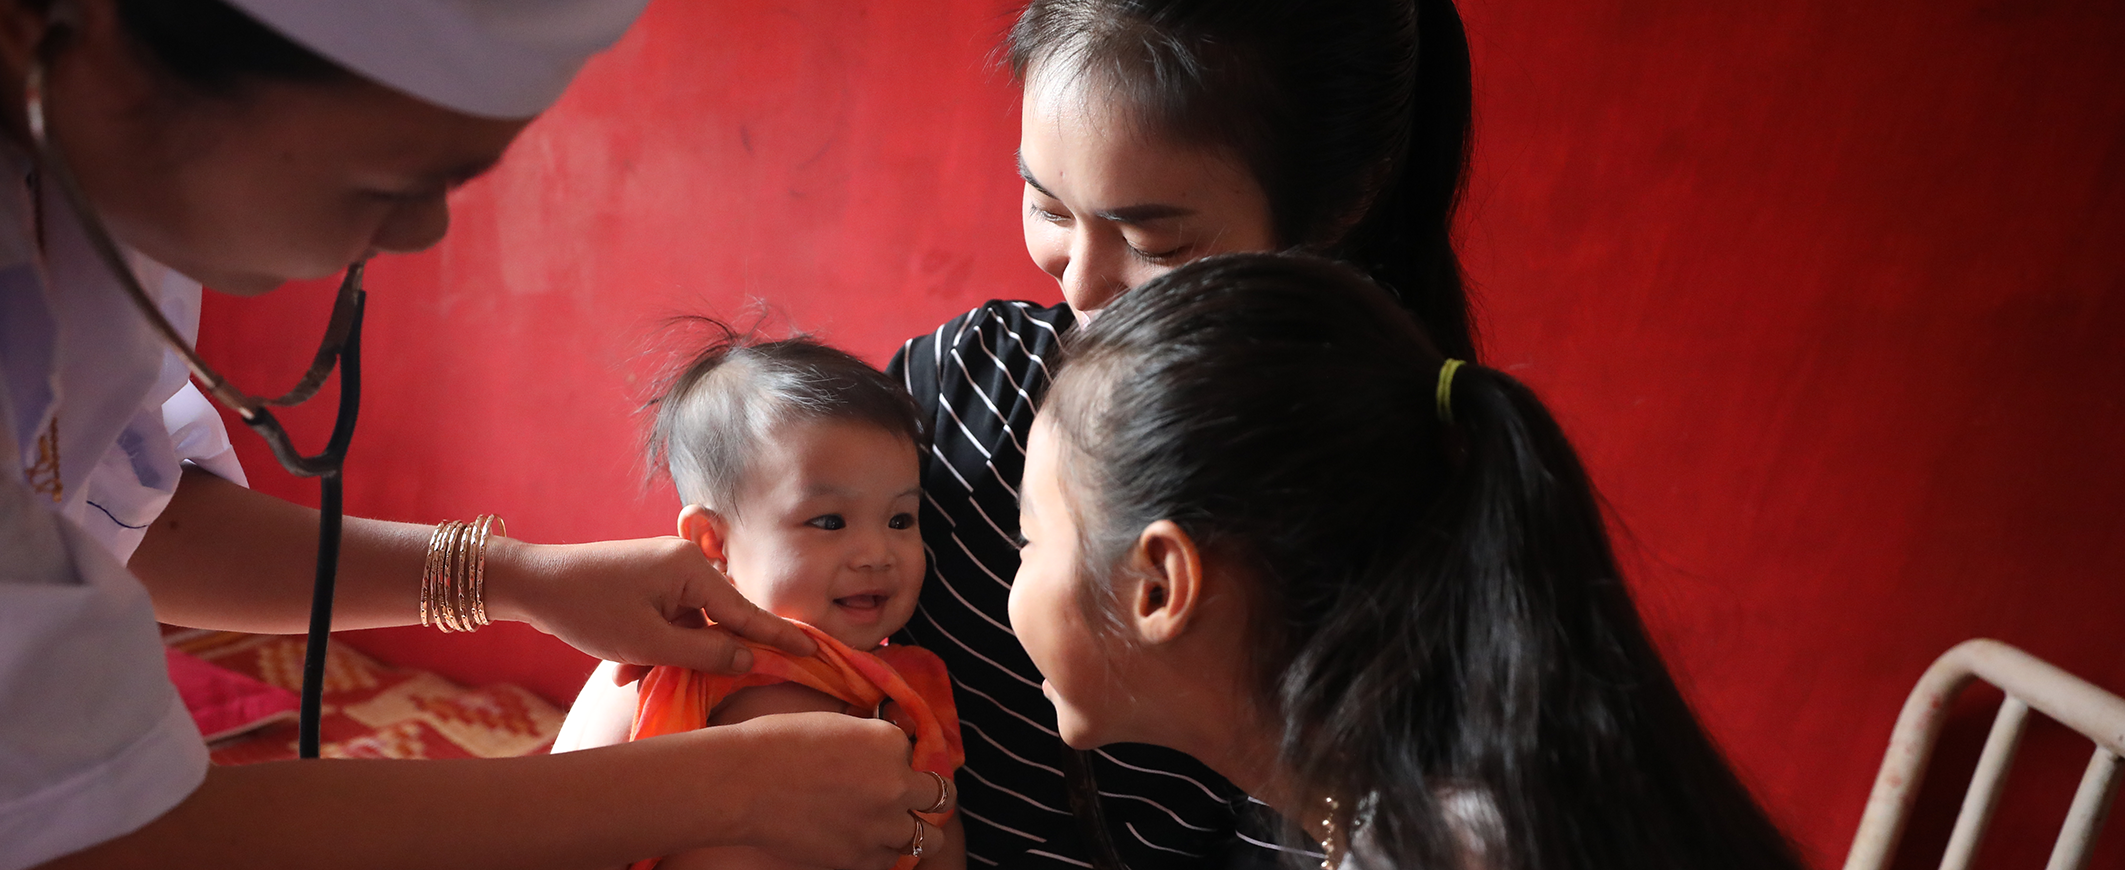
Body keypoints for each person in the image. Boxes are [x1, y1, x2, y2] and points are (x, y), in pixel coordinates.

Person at [0, 0, 947, 868]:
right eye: (386, 183)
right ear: (46, 21)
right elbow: (96, 836)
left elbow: (127, 510)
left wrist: (514, 579)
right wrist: (719, 788)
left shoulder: (99, 149)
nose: (419, 238)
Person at [885, 0, 1478, 864]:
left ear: (1342, 200)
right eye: (1048, 207)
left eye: (1152, 243)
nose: (1082, 288)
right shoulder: (970, 392)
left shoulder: (1407, 534)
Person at [1009, 253, 1807, 870]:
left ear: (1160, 585)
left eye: (1032, 540)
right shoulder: (1439, 803)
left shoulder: (1446, 847)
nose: (1017, 572)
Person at [556, 330, 968, 870]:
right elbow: (571, 809)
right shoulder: (673, 662)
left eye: (900, 520)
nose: (877, 553)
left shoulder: (904, 695)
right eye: (828, 521)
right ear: (715, 542)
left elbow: (935, 835)